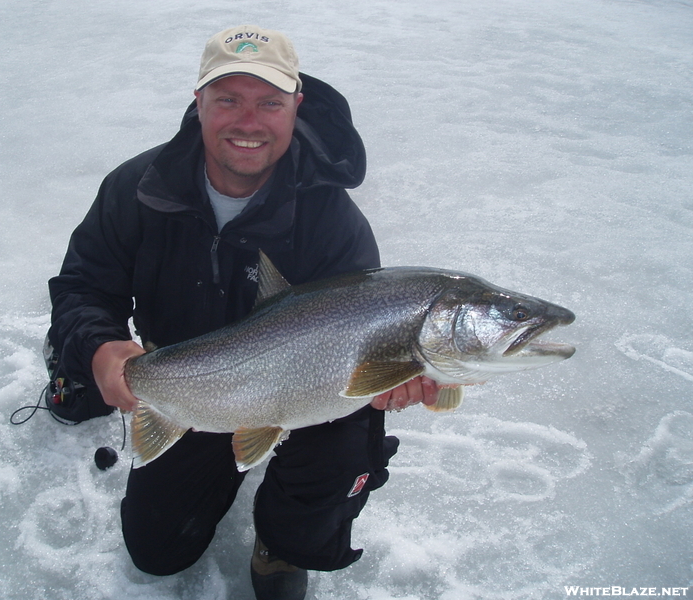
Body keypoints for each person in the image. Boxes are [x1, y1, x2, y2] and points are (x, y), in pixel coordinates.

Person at [47, 24, 438, 600]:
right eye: (227, 99)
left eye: (269, 103)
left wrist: (396, 379)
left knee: (346, 443)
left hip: (313, 390)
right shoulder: (136, 187)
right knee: (158, 552)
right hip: (194, 386)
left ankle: (281, 543)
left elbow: (366, 340)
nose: (247, 122)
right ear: (197, 101)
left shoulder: (334, 223)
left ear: (296, 106)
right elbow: (81, 283)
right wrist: (100, 346)